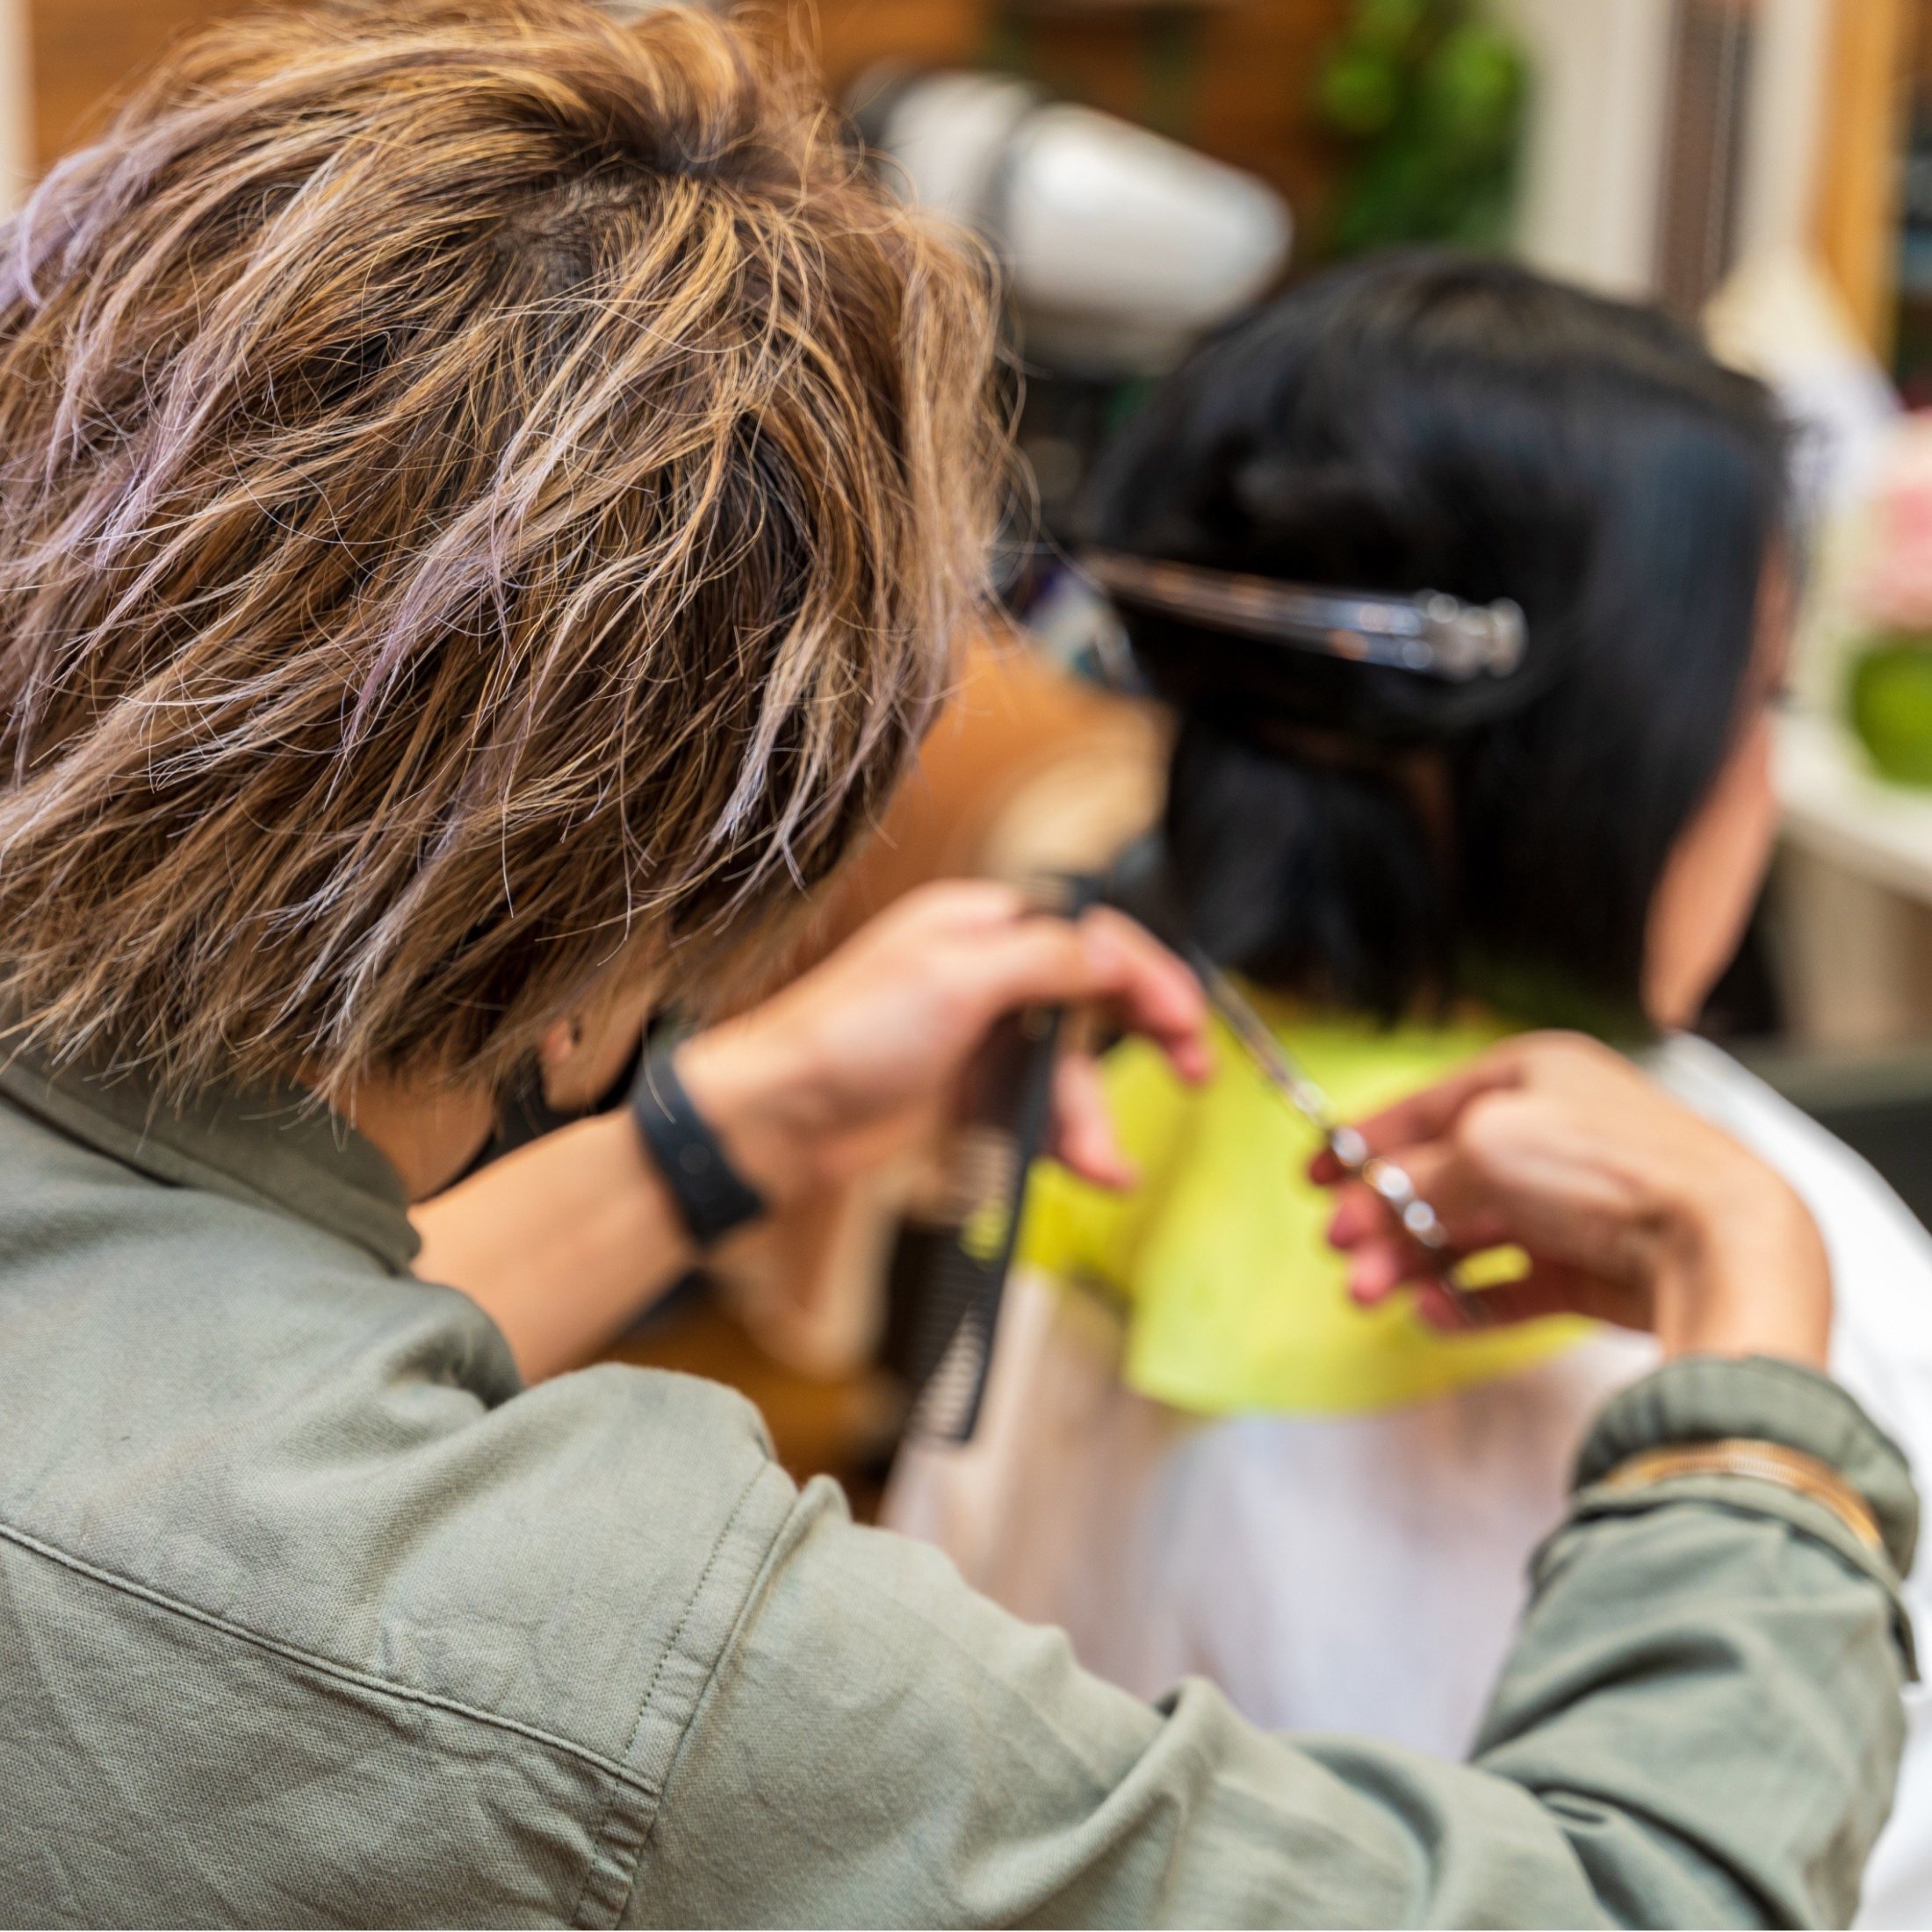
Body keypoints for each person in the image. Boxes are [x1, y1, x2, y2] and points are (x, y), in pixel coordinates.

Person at [0, 10, 1913, 1925]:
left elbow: (225, 1404)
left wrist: (725, 1125)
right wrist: (1757, 1359)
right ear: (613, 932)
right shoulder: (610, 1657)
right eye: (1744, 698)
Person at [882, 254, 1932, 1924]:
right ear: (1606, 751)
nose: (1757, 767)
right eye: (1750, 699)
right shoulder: (1800, 1285)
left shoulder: (1092, 1101)